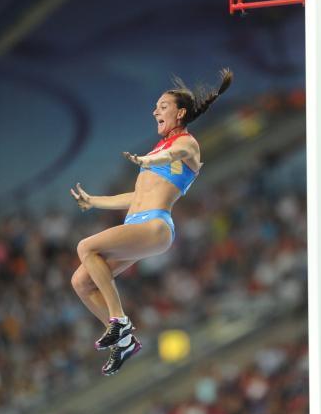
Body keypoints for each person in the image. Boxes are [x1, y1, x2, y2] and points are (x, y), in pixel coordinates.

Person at [71, 69, 233, 376]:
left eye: (162, 106)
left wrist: (148, 161)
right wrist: (95, 201)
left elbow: (178, 153)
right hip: (137, 225)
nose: (155, 110)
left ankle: (119, 321)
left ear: (180, 112)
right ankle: (125, 341)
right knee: (81, 282)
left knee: (85, 246)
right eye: (156, 106)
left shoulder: (188, 144)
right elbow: (136, 195)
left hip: (156, 226)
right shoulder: (157, 150)